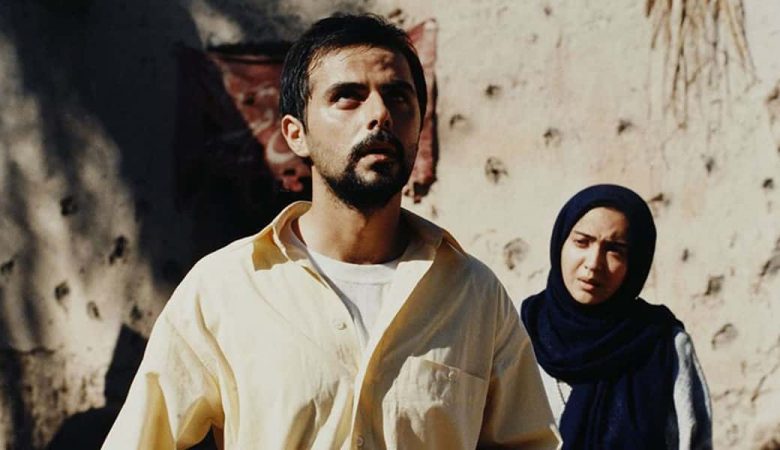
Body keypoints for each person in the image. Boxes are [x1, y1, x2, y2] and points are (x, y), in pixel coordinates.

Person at [102, 14, 560, 450]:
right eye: (348, 96)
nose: (380, 114)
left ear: (419, 125)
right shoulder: (225, 288)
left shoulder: (474, 295)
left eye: (398, 97)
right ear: (295, 134)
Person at [520, 184, 712, 450]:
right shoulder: (516, 335)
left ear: (636, 262)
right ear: (560, 243)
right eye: (582, 242)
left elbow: (693, 442)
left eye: (615, 250)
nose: (594, 263)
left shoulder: (663, 346)